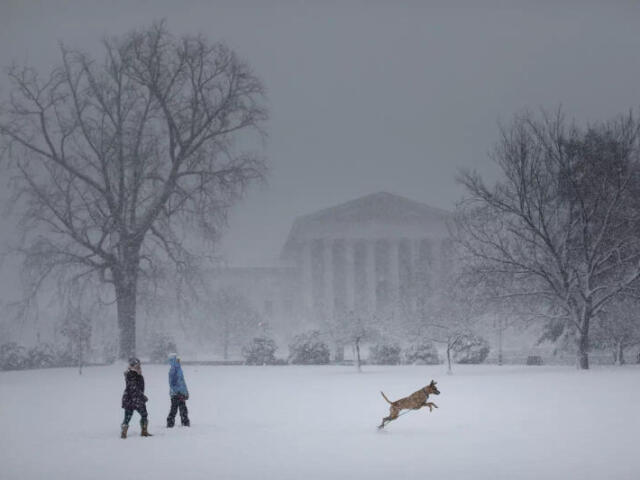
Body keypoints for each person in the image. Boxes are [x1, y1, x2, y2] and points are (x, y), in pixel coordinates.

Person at [120, 357, 152, 438]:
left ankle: (141, 431)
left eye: (139, 366)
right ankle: (141, 431)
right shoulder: (132, 375)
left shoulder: (135, 374)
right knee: (139, 415)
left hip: (131, 398)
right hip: (134, 399)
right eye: (137, 366)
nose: (139, 367)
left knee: (130, 416)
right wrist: (142, 396)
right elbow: (134, 388)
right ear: (132, 366)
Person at [166, 353, 190, 427]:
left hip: (181, 393)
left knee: (183, 409)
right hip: (175, 394)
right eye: (177, 360)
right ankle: (170, 423)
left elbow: (182, 382)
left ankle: (185, 422)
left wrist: (185, 392)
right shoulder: (173, 370)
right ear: (173, 361)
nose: (179, 361)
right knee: (174, 409)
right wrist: (177, 392)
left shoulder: (179, 369)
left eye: (179, 360)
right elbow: (172, 384)